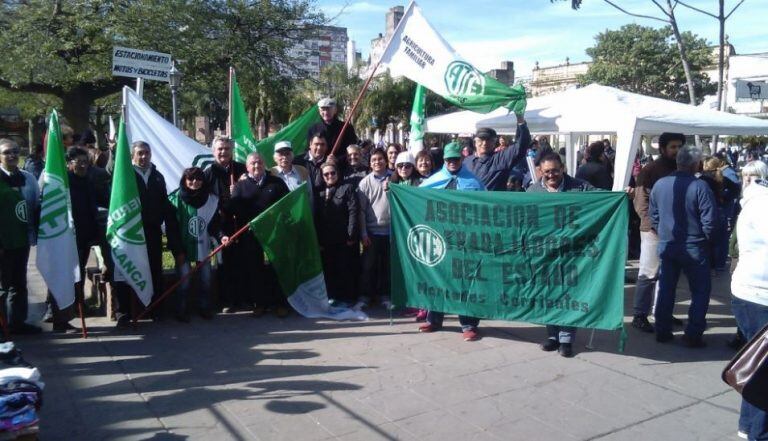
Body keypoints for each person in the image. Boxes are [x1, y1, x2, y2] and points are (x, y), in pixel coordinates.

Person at [526, 152, 595, 357]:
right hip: (544, 253)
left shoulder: (580, 187)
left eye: (555, 170)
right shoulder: (533, 191)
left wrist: (621, 194)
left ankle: (566, 339)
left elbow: (602, 199)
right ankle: (553, 336)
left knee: (568, 294)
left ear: (562, 168)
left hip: (572, 252)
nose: (551, 175)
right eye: (546, 171)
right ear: (540, 171)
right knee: (548, 294)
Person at [649, 145, 716, 347]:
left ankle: (662, 330)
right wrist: (706, 240)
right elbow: (710, 222)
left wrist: (664, 232)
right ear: (696, 164)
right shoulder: (700, 186)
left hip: (669, 245)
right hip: (693, 246)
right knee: (700, 292)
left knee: (667, 289)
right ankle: (693, 334)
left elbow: (653, 215)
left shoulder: (660, 184)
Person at [418, 142, 484, 341]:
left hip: (466, 240)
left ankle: (468, 323)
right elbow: (415, 201)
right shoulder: (433, 180)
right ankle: (434, 319)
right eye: (449, 159)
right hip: (440, 239)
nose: (452, 162)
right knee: (438, 278)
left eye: (456, 159)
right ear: (444, 160)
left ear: (462, 158)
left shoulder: (474, 182)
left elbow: (486, 206)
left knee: (466, 282)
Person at [113, 141, 183, 327]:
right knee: (125, 272)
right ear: (132, 156)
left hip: (152, 232)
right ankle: (123, 312)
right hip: (130, 232)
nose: (144, 157)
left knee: (154, 270)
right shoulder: (124, 176)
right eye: (140, 153)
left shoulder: (158, 177)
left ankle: (155, 308)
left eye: (146, 153)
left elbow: (163, 204)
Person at [729, 161, 768, 440]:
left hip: (749, 291)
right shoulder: (762, 204)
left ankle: (749, 427)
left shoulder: (753, 202)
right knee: (762, 370)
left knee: (757, 364)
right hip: (757, 293)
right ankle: (757, 431)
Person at [225, 152, 290, 317]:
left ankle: (280, 303)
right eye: (253, 163)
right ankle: (260, 303)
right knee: (254, 270)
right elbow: (233, 208)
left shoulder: (277, 182)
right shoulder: (240, 186)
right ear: (247, 167)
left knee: (278, 268)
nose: (256, 166)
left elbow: (287, 205)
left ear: (265, 164)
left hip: (274, 233)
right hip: (250, 234)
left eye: (259, 162)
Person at [631, 132, 683, 333]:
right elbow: (640, 201)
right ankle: (639, 314)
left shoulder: (681, 169)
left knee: (668, 275)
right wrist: (652, 225)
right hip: (653, 231)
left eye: (679, 146)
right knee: (648, 273)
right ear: (662, 149)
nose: (676, 151)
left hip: (674, 231)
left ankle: (662, 311)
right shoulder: (651, 169)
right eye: (673, 147)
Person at [51, 147, 106, 333]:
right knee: (63, 277)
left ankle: (74, 311)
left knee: (78, 276)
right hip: (65, 239)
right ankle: (59, 318)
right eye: (78, 162)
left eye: (85, 162)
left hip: (84, 238)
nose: (83, 165)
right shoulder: (63, 185)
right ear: (69, 163)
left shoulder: (88, 182)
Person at [168, 167, 221, 322]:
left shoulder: (211, 199)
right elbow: (171, 228)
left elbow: (215, 225)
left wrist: (221, 236)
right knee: (184, 282)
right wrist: (178, 251)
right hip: (182, 248)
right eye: (190, 179)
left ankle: (204, 308)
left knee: (206, 280)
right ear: (184, 181)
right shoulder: (175, 200)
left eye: (198, 179)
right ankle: (181, 310)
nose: (195, 182)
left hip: (203, 246)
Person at [0, 139, 41, 334]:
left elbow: (34, 205)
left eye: (15, 152)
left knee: (19, 284)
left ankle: (18, 322)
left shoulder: (28, 178)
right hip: (2, 243)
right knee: (2, 287)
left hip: (21, 241)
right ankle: (2, 327)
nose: (12, 155)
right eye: (7, 152)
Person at [203, 136, 246, 313]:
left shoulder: (242, 169)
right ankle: (226, 301)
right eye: (220, 149)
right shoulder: (208, 173)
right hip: (219, 225)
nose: (223, 152)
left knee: (242, 263)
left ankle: (244, 298)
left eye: (227, 149)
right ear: (214, 151)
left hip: (241, 222)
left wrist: (240, 187)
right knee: (223, 265)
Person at [314, 162, 359, 307]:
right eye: (326, 174)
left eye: (332, 173)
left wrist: (351, 235)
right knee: (329, 268)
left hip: (343, 237)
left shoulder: (347, 188)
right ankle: (332, 295)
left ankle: (347, 297)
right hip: (326, 238)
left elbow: (353, 212)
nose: (330, 176)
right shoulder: (319, 193)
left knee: (344, 267)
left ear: (337, 173)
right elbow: (318, 217)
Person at [356, 148, 392, 310]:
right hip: (371, 231)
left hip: (391, 232)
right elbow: (361, 211)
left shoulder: (394, 177)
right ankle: (365, 296)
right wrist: (363, 233)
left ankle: (385, 295)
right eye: (373, 160)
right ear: (370, 163)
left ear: (385, 160)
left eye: (380, 159)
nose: (377, 162)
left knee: (386, 266)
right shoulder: (365, 183)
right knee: (368, 266)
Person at [463, 116, 531, 191]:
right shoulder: (467, 161)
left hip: (490, 201)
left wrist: (521, 122)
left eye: (489, 140)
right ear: (475, 142)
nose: (485, 143)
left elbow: (521, 145)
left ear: (494, 142)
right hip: (467, 201)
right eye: (481, 140)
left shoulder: (500, 159)